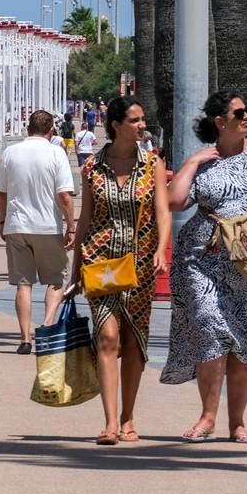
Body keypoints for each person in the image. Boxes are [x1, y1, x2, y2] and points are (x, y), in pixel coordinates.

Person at [163, 91, 247, 443]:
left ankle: (237, 421)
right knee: (209, 326)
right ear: (220, 121)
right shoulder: (205, 160)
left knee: (246, 337)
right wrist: (192, 162)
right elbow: (174, 201)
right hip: (204, 258)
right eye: (239, 113)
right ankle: (207, 417)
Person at [70, 98, 171, 445]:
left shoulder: (152, 164)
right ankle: (110, 422)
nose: (143, 124)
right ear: (116, 124)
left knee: (133, 338)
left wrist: (161, 249)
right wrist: (74, 272)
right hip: (101, 263)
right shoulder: (93, 168)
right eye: (136, 120)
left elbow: (163, 212)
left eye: (143, 119)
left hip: (141, 263)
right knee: (107, 337)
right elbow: (85, 219)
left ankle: (129, 418)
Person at [0, 109, 76, 355]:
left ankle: (24, 339)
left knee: (23, 284)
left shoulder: (10, 152)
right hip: (48, 227)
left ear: (27, 128)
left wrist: (2, 221)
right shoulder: (56, 153)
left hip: (17, 226)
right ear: (51, 131)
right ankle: (47, 326)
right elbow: (64, 195)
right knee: (54, 281)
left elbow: (1, 193)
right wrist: (71, 226)